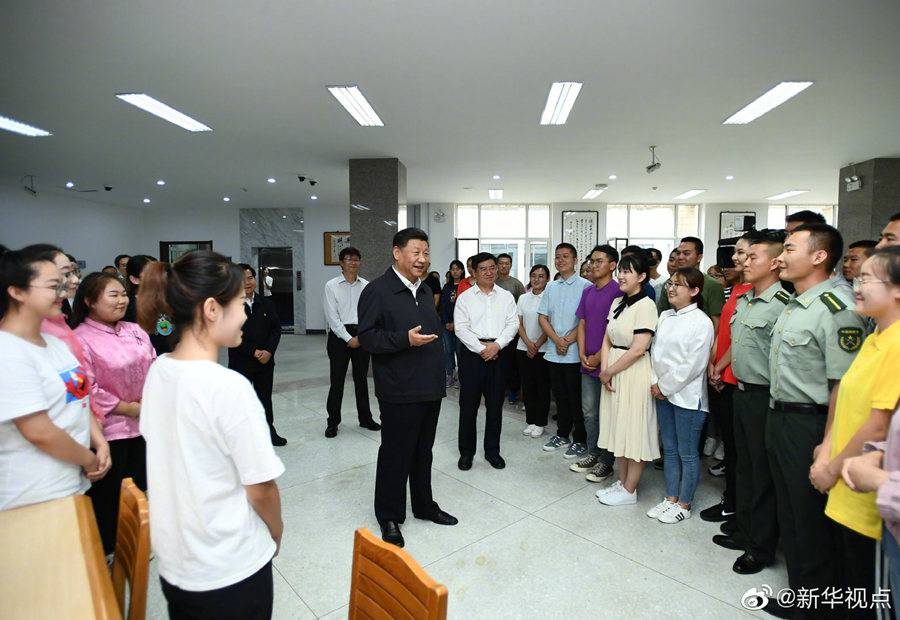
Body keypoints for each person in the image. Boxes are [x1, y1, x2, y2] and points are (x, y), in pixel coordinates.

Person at [137, 251, 284, 618]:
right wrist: (275, 534)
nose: (245, 314)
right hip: (228, 567)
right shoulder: (227, 387)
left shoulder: (159, 369)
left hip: (177, 561)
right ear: (211, 309)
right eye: (238, 304)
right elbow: (261, 487)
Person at [764, 223, 867, 616]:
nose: (780, 257)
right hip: (781, 418)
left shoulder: (835, 310)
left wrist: (827, 445)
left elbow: (843, 385)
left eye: (789, 249)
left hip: (812, 423)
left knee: (808, 516)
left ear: (819, 256)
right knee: (789, 510)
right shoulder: (795, 303)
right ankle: (801, 592)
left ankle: (819, 603)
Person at [357, 228, 457, 548]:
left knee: (423, 451)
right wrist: (404, 339)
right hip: (398, 388)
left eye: (426, 253)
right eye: (416, 252)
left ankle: (424, 505)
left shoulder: (426, 290)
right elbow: (368, 338)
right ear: (397, 253)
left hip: (429, 384)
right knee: (395, 453)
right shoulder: (377, 290)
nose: (422, 259)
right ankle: (389, 515)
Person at [814, 247, 900, 608]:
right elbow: (843, 395)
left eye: (867, 278)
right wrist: (825, 451)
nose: (856, 284)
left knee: (867, 593)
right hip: (842, 477)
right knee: (847, 582)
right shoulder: (874, 338)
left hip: (866, 489)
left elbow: (878, 425)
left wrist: (832, 468)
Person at [0, 246, 110, 512]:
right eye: (53, 286)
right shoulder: (8, 352)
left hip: (68, 481)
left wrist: (99, 441)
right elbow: (39, 432)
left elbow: (79, 396)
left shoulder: (54, 343)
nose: (63, 293)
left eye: (64, 285)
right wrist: (87, 459)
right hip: (32, 493)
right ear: (16, 291)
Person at [71, 272, 156, 556]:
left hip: (144, 424)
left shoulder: (135, 329)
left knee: (139, 489)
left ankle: (136, 543)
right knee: (109, 497)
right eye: (113, 295)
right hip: (110, 430)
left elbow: (154, 364)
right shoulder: (79, 339)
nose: (122, 300)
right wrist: (129, 407)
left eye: (123, 294)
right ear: (89, 301)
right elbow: (86, 387)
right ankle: (108, 551)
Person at [725, 230, 789, 575]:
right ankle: (744, 530)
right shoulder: (747, 299)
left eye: (753, 258)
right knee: (745, 467)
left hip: (766, 396)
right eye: (744, 257)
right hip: (742, 391)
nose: (744, 262)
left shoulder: (782, 305)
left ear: (775, 263)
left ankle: (760, 547)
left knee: (762, 474)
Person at [648, 267, 714, 523]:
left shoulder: (702, 321)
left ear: (695, 291)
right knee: (670, 450)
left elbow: (693, 364)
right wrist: (657, 384)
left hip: (687, 397)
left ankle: (684, 503)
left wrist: (664, 387)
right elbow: (655, 353)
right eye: (671, 283)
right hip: (662, 392)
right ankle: (670, 498)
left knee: (687, 452)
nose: (672, 288)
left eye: (679, 285)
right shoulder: (664, 315)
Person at [595, 253, 658, 506]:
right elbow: (607, 339)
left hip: (632, 372)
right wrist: (604, 369)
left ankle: (630, 490)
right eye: (620, 271)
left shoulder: (647, 305)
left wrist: (609, 371)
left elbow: (638, 348)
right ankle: (622, 483)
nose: (620, 276)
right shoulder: (618, 301)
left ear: (641, 277)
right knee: (619, 428)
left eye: (627, 272)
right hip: (613, 370)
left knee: (634, 430)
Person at [702, 236, 754, 526]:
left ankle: (737, 506)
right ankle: (732, 501)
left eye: (742, 254)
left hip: (737, 379)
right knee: (733, 449)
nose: (734, 260)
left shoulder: (758, 293)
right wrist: (714, 364)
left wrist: (720, 367)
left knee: (739, 451)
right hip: (723, 375)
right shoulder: (735, 290)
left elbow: (742, 340)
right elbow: (723, 332)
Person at [453, 252, 518, 471]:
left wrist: (496, 345)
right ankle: (466, 452)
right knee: (468, 407)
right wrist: (483, 349)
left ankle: (492, 451)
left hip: (499, 355)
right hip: (472, 356)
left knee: (495, 407)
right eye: (484, 269)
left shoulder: (506, 296)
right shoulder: (465, 298)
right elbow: (461, 328)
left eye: (493, 268)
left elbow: (512, 324)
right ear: (474, 272)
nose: (490, 272)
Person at [571, 245, 622, 483]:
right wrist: (582, 352)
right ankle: (593, 453)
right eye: (591, 261)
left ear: (613, 265)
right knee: (590, 413)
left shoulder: (618, 292)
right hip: (586, 361)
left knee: (607, 413)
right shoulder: (587, 291)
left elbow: (615, 331)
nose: (593, 265)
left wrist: (599, 357)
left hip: (608, 363)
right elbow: (581, 324)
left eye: (599, 261)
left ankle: (607, 462)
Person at [538, 243, 592, 458]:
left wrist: (567, 341)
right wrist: (556, 340)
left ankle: (580, 439)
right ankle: (562, 434)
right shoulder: (551, 287)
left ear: (576, 259)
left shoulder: (586, 286)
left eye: (566, 256)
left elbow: (585, 320)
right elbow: (542, 316)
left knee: (575, 398)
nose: (561, 260)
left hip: (574, 352)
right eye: (557, 257)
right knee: (559, 397)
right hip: (553, 351)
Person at [323, 247, 380, 438]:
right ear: (341, 262)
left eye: (356, 259)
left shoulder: (366, 285)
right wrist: (348, 338)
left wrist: (361, 337)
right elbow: (332, 318)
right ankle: (333, 422)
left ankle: (365, 419)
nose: (353, 262)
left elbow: (371, 313)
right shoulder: (331, 285)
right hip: (339, 338)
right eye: (349, 259)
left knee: (361, 380)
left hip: (361, 334)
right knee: (336, 382)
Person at [227, 264, 286, 446]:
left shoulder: (266, 303)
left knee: (264, 399)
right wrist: (253, 351)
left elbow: (276, 329)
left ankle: (269, 431)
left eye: (250, 278)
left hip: (265, 362)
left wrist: (269, 351)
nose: (247, 282)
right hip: (241, 362)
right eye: (242, 279)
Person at [658, 237, 725, 335]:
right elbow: (662, 315)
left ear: (699, 257)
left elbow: (717, 323)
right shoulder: (669, 284)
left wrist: (711, 348)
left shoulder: (712, 285)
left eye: (686, 254)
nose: (680, 257)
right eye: (678, 253)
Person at [517, 264, 551, 438]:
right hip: (523, 348)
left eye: (541, 276)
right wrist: (528, 343)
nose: (537, 279)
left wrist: (536, 345)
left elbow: (549, 325)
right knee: (528, 386)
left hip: (543, 349)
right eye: (534, 276)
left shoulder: (549, 297)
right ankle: (530, 421)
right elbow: (519, 323)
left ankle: (540, 422)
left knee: (541, 388)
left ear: (547, 279)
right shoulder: (523, 298)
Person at [495, 253, 526, 403]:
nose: (504, 266)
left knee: (512, 363)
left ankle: (513, 391)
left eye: (507, 263)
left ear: (511, 265)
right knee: (497, 363)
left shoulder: (516, 284)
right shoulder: (491, 281)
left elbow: (523, 306)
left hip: (511, 330)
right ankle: (499, 390)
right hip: (494, 330)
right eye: (501, 263)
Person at [439, 260, 465, 388]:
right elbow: (442, 306)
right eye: (452, 269)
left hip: (461, 326)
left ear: (462, 270)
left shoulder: (465, 286)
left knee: (460, 352)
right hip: (446, 325)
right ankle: (449, 375)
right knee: (448, 351)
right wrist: (447, 322)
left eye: (457, 269)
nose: (455, 271)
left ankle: (461, 377)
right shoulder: (446, 287)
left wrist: (456, 323)